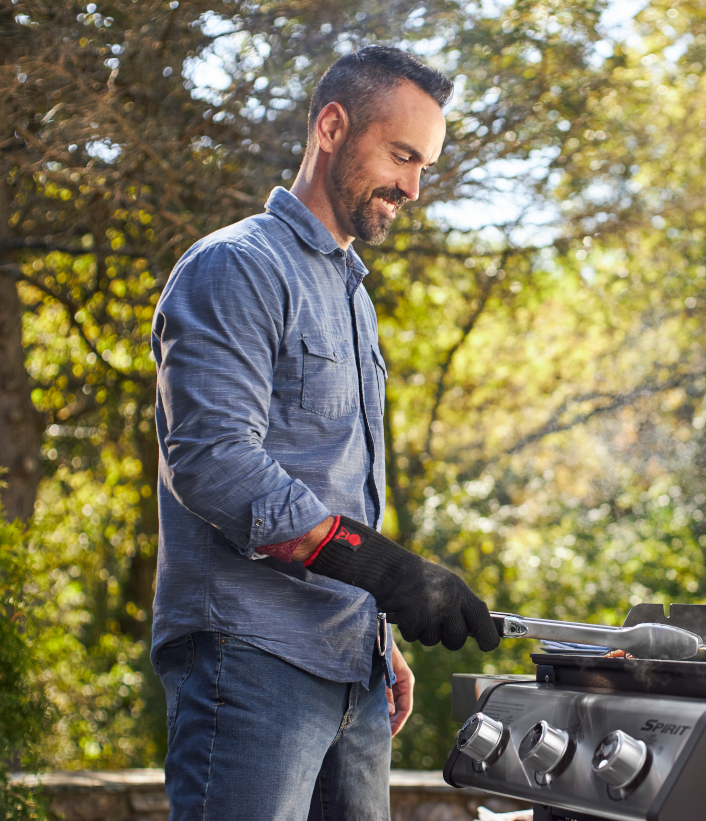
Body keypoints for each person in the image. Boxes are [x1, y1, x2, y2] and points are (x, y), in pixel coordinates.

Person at [150, 46, 500, 821]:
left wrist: (374, 630)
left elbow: (330, 477)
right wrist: (388, 570)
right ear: (333, 127)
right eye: (402, 155)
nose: (413, 187)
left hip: (353, 673)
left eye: (426, 166)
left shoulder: (353, 298)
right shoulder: (235, 267)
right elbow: (215, 464)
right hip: (250, 663)